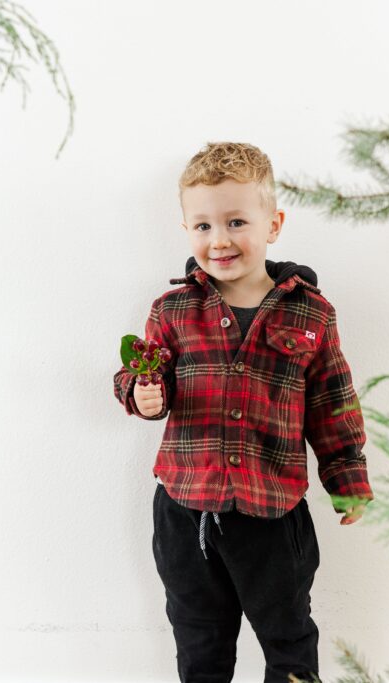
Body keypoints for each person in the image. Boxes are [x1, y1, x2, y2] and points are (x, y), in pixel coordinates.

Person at [112, 142, 374, 683]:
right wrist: (140, 392)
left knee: (289, 638)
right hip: (185, 512)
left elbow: (332, 403)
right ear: (186, 229)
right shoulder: (172, 311)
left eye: (236, 222)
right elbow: (141, 372)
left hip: (272, 513)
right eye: (203, 226)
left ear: (273, 224)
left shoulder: (312, 314)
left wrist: (348, 479)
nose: (220, 240)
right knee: (200, 643)